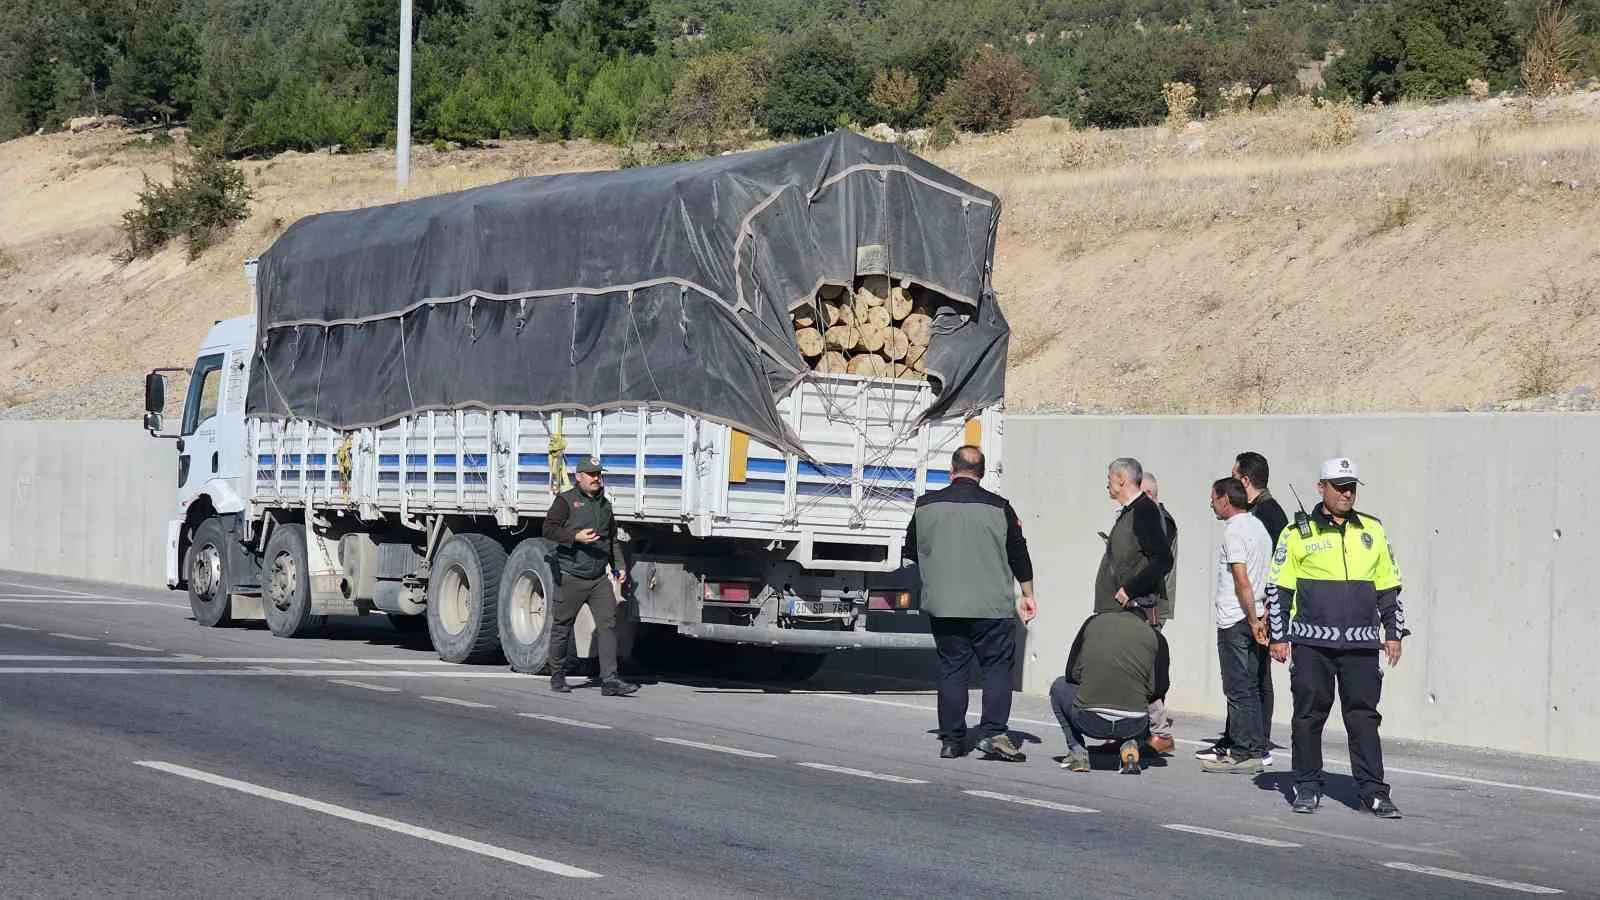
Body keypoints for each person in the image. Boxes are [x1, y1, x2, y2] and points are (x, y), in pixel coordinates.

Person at [1267, 457, 1409, 818]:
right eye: (1339, 486)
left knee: (1363, 718)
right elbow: (1278, 588)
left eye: (1351, 487)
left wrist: (1393, 633)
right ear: (1322, 488)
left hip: (1361, 644)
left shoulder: (1372, 530)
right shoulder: (1296, 532)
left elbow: (1389, 587)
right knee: (1308, 715)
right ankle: (1307, 785)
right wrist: (1278, 637)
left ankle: (1373, 792)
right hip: (1312, 643)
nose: (1347, 493)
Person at [905, 445, 1035, 762]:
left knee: (952, 669)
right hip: (992, 607)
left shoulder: (925, 506)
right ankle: (993, 735)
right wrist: (1028, 594)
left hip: (945, 605)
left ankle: (951, 741)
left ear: (952, 471)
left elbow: (910, 551)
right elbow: (1019, 553)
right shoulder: (999, 507)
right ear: (982, 473)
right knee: (996, 670)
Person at [1094, 457, 1175, 753]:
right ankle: (1122, 734)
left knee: (1135, 669)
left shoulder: (1144, 512)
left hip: (1135, 608)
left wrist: (1130, 588)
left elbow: (1163, 559)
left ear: (1122, 480)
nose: (1107, 484)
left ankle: (1157, 732)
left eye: (1109, 478)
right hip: (1119, 609)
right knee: (1120, 670)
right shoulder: (1131, 513)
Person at [543, 458, 639, 697]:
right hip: (571, 575)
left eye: (598, 474)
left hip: (598, 578)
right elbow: (548, 529)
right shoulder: (565, 501)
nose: (596, 478)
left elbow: (611, 539)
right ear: (579, 476)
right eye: (591, 474)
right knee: (562, 626)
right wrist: (575, 537)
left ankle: (610, 679)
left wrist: (619, 566)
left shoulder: (605, 505)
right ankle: (557, 676)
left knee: (608, 624)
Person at [1199, 477, 1274, 775]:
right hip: (1255, 615)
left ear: (1225, 500)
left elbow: (1241, 579)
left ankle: (1244, 752)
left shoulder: (1234, 532)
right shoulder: (1259, 528)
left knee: (1238, 687)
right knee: (1252, 686)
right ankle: (1255, 748)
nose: (1211, 503)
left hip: (1236, 619)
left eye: (1214, 498)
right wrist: (1262, 615)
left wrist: (1253, 619)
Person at [1050, 604, 1171, 774]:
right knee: (1143, 702)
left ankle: (1077, 752)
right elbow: (1156, 690)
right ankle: (1130, 747)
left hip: (1089, 720)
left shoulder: (1093, 623)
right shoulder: (1153, 635)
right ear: (1145, 621)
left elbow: (1071, 674)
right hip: (1132, 724)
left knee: (1058, 686)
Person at [1139, 471, 1178, 752]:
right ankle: (1144, 728)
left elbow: (1152, 564)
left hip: (1150, 604)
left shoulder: (1159, 522)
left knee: (1143, 666)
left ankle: (1159, 730)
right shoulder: (1155, 519)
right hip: (1145, 602)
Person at [1233, 451, 1288, 550]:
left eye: (1234, 478)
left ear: (1245, 481)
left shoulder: (1267, 514)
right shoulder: (1255, 510)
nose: (1230, 484)